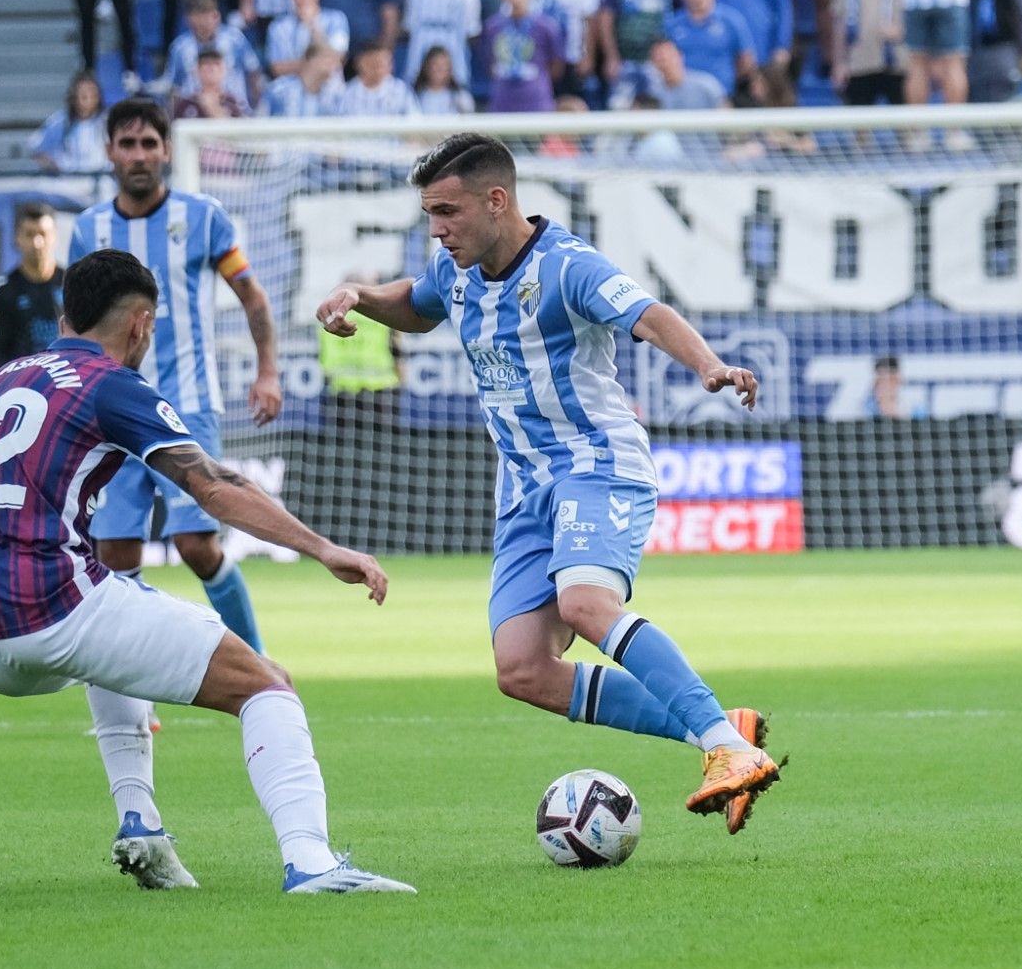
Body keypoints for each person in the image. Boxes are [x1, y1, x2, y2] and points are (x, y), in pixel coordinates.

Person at [0, 248, 412, 895]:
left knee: (116, 613)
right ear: (142, 323)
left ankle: (141, 822)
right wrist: (323, 549)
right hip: (51, 607)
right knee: (267, 686)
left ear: (67, 313)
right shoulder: (109, 382)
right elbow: (214, 484)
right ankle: (313, 863)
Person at [315, 134, 779, 832]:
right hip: (524, 491)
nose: (437, 229)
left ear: (496, 200)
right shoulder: (456, 270)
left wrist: (707, 364)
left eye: (447, 211)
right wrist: (360, 296)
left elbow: (648, 314)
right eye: (429, 215)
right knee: (523, 668)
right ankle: (721, 727)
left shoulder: (569, 267)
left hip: (596, 465)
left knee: (586, 603)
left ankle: (725, 747)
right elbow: (413, 304)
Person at [65, 98, 283, 656]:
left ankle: (258, 663)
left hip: (188, 404)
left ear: (166, 150)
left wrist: (267, 372)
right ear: (110, 151)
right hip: (111, 410)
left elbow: (252, 296)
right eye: (128, 144)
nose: (139, 156)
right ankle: (136, 697)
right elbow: (75, 325)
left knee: (196, 544)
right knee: (114, 555)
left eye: (150, 144)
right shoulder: (89, 228)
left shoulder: (203, 216)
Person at [0, 203, 65, 371]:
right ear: (17, 239)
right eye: (29, 234)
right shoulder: (4, 292)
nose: (37, 243)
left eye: (43, 234)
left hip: (67, 380)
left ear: (55, 237)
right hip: (23, 385)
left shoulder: (73, 284)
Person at [664, 0, 755, 96]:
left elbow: (747, 60)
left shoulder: (732, 20)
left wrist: (726, 80)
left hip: (722, 96)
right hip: (683, 98)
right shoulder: (672, 24)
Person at [403, 0, 482, 88]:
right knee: (415, 84)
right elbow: (410, 27)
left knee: (457, 86)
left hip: (453, 43)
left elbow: (471, 33)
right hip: (422, 42)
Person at [480, 0, 561, 112]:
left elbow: (556, 65)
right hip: (502, 101)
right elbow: (489, 62)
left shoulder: (546, 27)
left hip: (537, 101)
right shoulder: (492, 27)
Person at [162, 0, 260, 102]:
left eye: (206, 20)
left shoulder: (235, 40)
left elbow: (253, 73)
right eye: (198, 25)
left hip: (234, 112)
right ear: (188, 20)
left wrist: (254, 108)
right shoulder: (179, 48)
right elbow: (173, 87)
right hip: (193, 113)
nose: (202, 26)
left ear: (216, 16)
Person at [265, 0, 349, 77]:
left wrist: (312, 25)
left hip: (329, 86)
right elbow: (277, 68)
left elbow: (338, 58)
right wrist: (318, 64)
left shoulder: (336, 19)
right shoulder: (278, 27)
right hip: (290, 88)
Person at [27, 70, 108, 173]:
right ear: (74, 96)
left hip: (101, 180)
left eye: (93, 94)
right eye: (84, 95)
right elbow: (35, 146)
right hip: (68, 183)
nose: (89, 99)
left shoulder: (107, 120)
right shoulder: (60, 121)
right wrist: (53, 166)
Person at [263, 41, 346, 116]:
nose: (336, 65)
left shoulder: (334, 97)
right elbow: (260, 123)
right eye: (330, 59)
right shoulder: (278, 91)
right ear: (312, 59)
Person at [641, 37, 727, 108]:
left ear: (680, 56)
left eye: (669, 56)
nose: (666, 63)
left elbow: (726, 115)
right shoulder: (653, 92)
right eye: (660, 59)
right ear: (653, 63)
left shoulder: (706, 84)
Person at [171, 46, 251, 119]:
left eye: (216, 64)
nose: (211, 68)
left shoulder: (233, 103)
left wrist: (214, 109)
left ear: (224, 70)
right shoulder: (186, 104)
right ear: (196, 70)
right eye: (205, 64)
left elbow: (240, 131)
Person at [341, 40, 417, 116]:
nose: (378, 70)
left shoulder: (401, 92)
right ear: (360, 64)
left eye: (382, 65)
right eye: (373, 64)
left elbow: (415, 121)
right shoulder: (347, 93)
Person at [412, 43, 473, 114]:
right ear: (426, 67)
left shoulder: (461, 97)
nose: (440, 69)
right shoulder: (415, 96)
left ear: (450, 69)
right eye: (436, 65)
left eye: (444, 65)